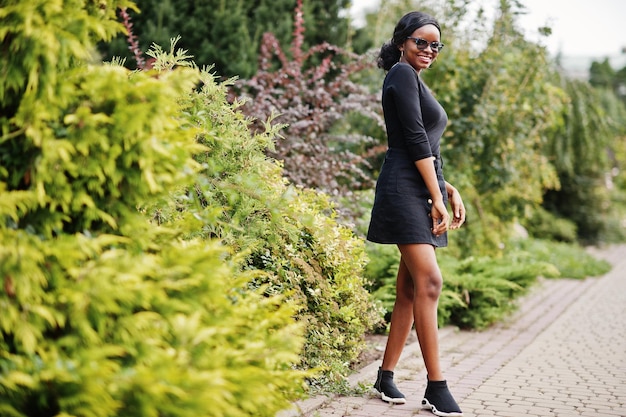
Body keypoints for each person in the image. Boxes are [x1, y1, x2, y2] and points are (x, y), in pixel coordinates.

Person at [366, 11, 466, 417]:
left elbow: (428, 144)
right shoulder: (401, 75)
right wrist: (435, 195)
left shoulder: (415, 80)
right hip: (403, 189)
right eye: (420, 42)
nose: (428, 50)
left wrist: (447, 188)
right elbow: (411, 141)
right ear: (402, 41)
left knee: (410, 288)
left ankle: (385, 376)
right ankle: (436, 387)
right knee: (430, 281)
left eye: (434, 45)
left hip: (421, 187)